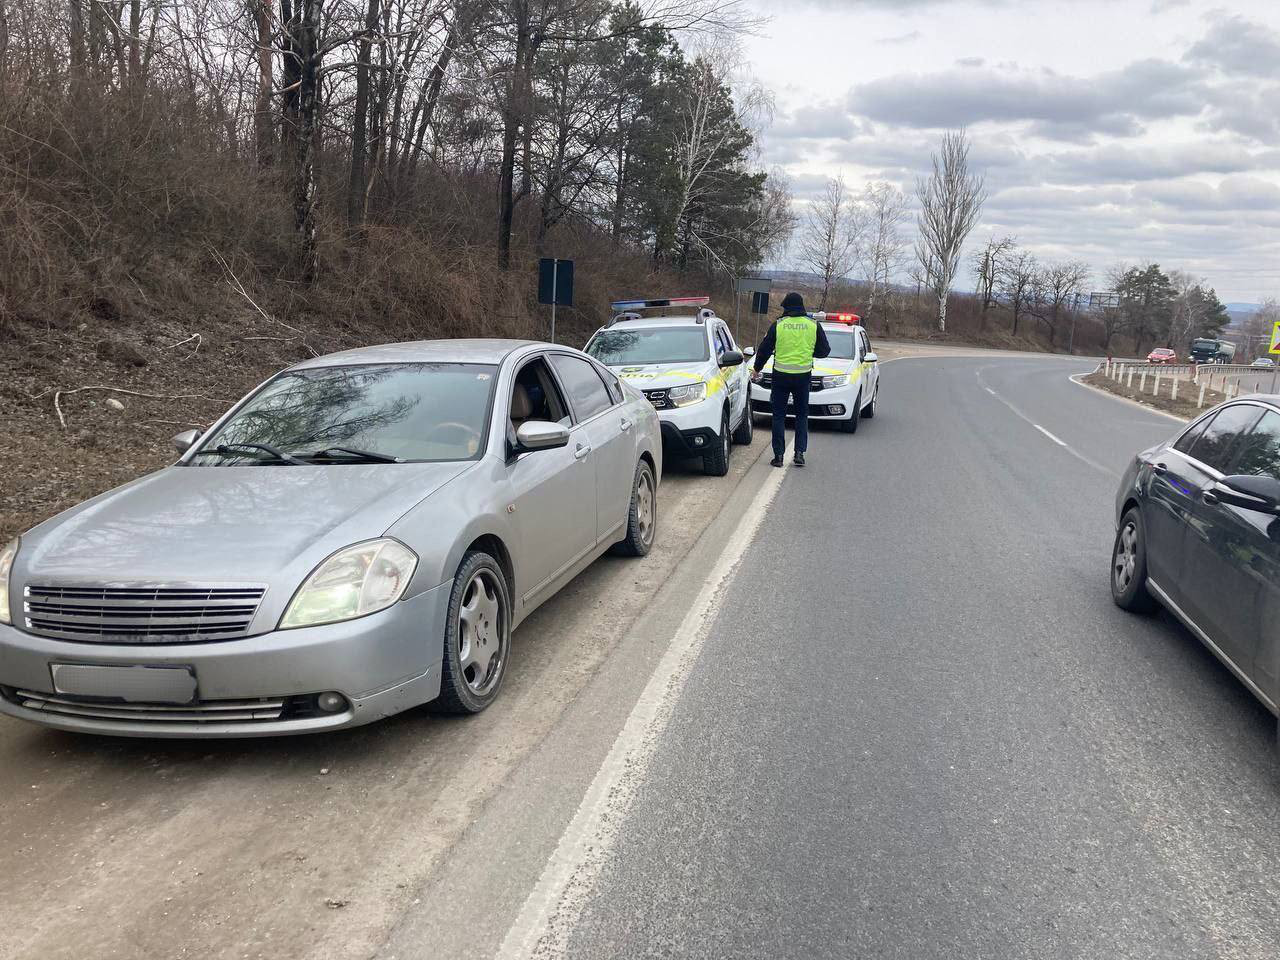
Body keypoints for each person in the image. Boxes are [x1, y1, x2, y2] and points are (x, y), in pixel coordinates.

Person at [752, 292, 831, 468]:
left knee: (779, 416)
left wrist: (757, 369)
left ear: (787, 307)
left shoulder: (778, 325)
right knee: (802, 415)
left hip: (780, 376)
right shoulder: (813, 325)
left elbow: (764, 350)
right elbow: (825, 351)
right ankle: (799, 454)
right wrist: (809, 352)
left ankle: (778, 456)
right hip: (803, 377)